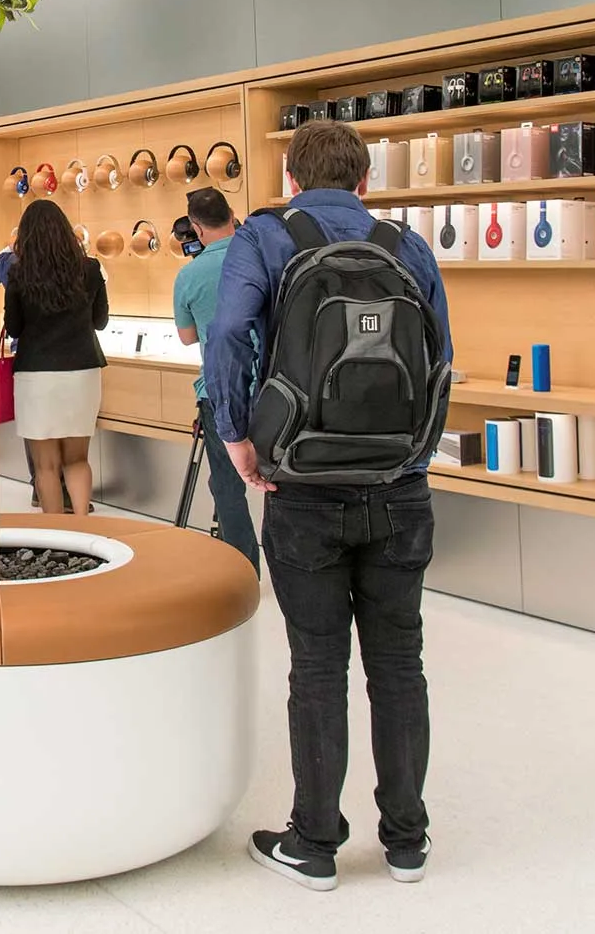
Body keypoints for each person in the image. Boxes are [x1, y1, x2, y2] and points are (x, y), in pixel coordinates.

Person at [208, 120, 450, 892]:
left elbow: (227, 333)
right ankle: (407, 840)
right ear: (365, 180)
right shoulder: (407, 246)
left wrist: (237, 435)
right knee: (400, 662)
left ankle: (314, 842)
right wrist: (411, 457)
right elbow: (441, 357)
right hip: (398, 486)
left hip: (302, 484)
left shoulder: (265, 236)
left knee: (316, 665)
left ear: (290, 178)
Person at [3, 198, 108, 517]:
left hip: (36, 374)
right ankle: (82, 524)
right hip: (83, 371)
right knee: (77, 459)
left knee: (46, 465)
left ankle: (56, 530)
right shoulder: (89, 268)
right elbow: (100, 321)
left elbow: (14, 326)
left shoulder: (19, 273)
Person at [172, 186, 256, 573]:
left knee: (226, 485)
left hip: (220, 390)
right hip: (273, 388)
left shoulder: (189, 275)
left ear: (196, 227)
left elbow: (188, 337)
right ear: (232, 214)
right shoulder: (259, 258)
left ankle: (243, 569)